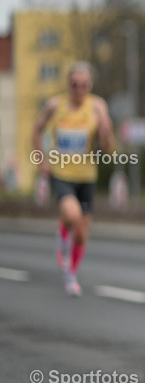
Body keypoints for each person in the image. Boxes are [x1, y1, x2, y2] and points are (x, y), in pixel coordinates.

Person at [32, 62, 115, 296]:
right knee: (72, 215)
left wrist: (106, 132)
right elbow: (36, 131)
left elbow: (107, 148)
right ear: (68, 84)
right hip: (62, 174)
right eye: (74, 84)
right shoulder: (55, 105)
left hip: (87, 176)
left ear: (90, 86)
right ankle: (63, 228)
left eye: (84, 85)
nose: (79, 89)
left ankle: (71, 275)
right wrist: (41, 161)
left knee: (82, 233)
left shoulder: (98, 106)